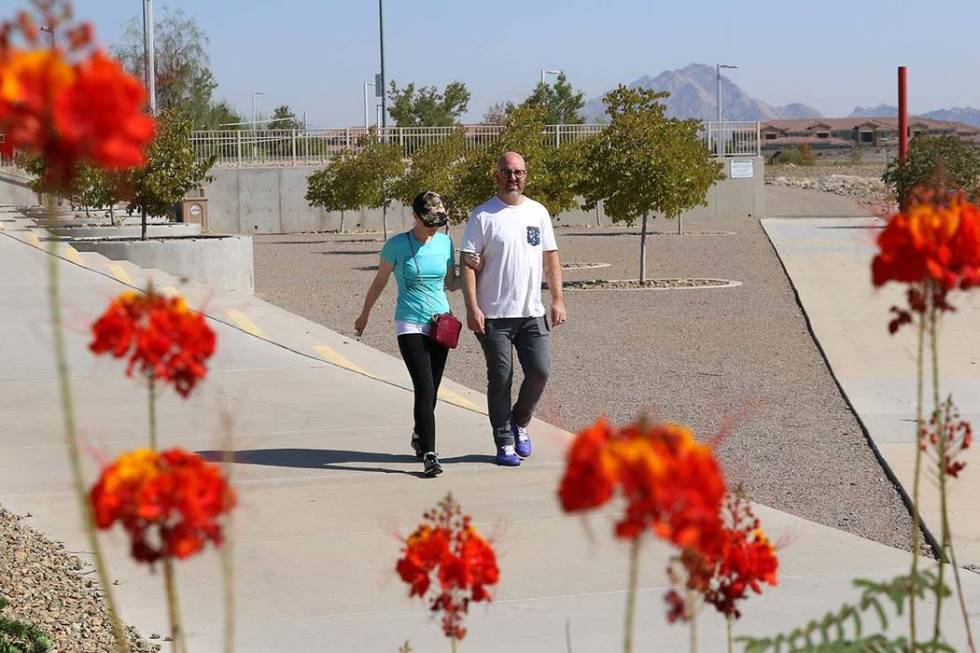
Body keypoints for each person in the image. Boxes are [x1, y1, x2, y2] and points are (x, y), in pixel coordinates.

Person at [460, 151, 567, 466]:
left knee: (540, 371)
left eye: (518, 172)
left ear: (526, 175)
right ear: (497, 175)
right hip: (493, 316)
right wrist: (472, 308)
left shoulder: (538, 212)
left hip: (531, 313)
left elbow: (551, 259)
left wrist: (558, 299)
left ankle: (520, 422)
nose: (513, 177)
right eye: (507, 172)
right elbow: (467, 263)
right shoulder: (483, 216)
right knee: (501, 376)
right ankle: (504, 440)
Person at [355, 191, 458, 477]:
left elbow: (451, 283)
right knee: (424, 387)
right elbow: (380, 281)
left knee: (433, 390)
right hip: (409, 323)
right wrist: (365, 314)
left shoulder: (446, 243)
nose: (433, 228)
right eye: (428, 222)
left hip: (441, 324)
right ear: (414, 217)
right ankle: (430, 453)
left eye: (437, 222)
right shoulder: (397, 245)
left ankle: (418, 434)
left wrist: (478, 272)